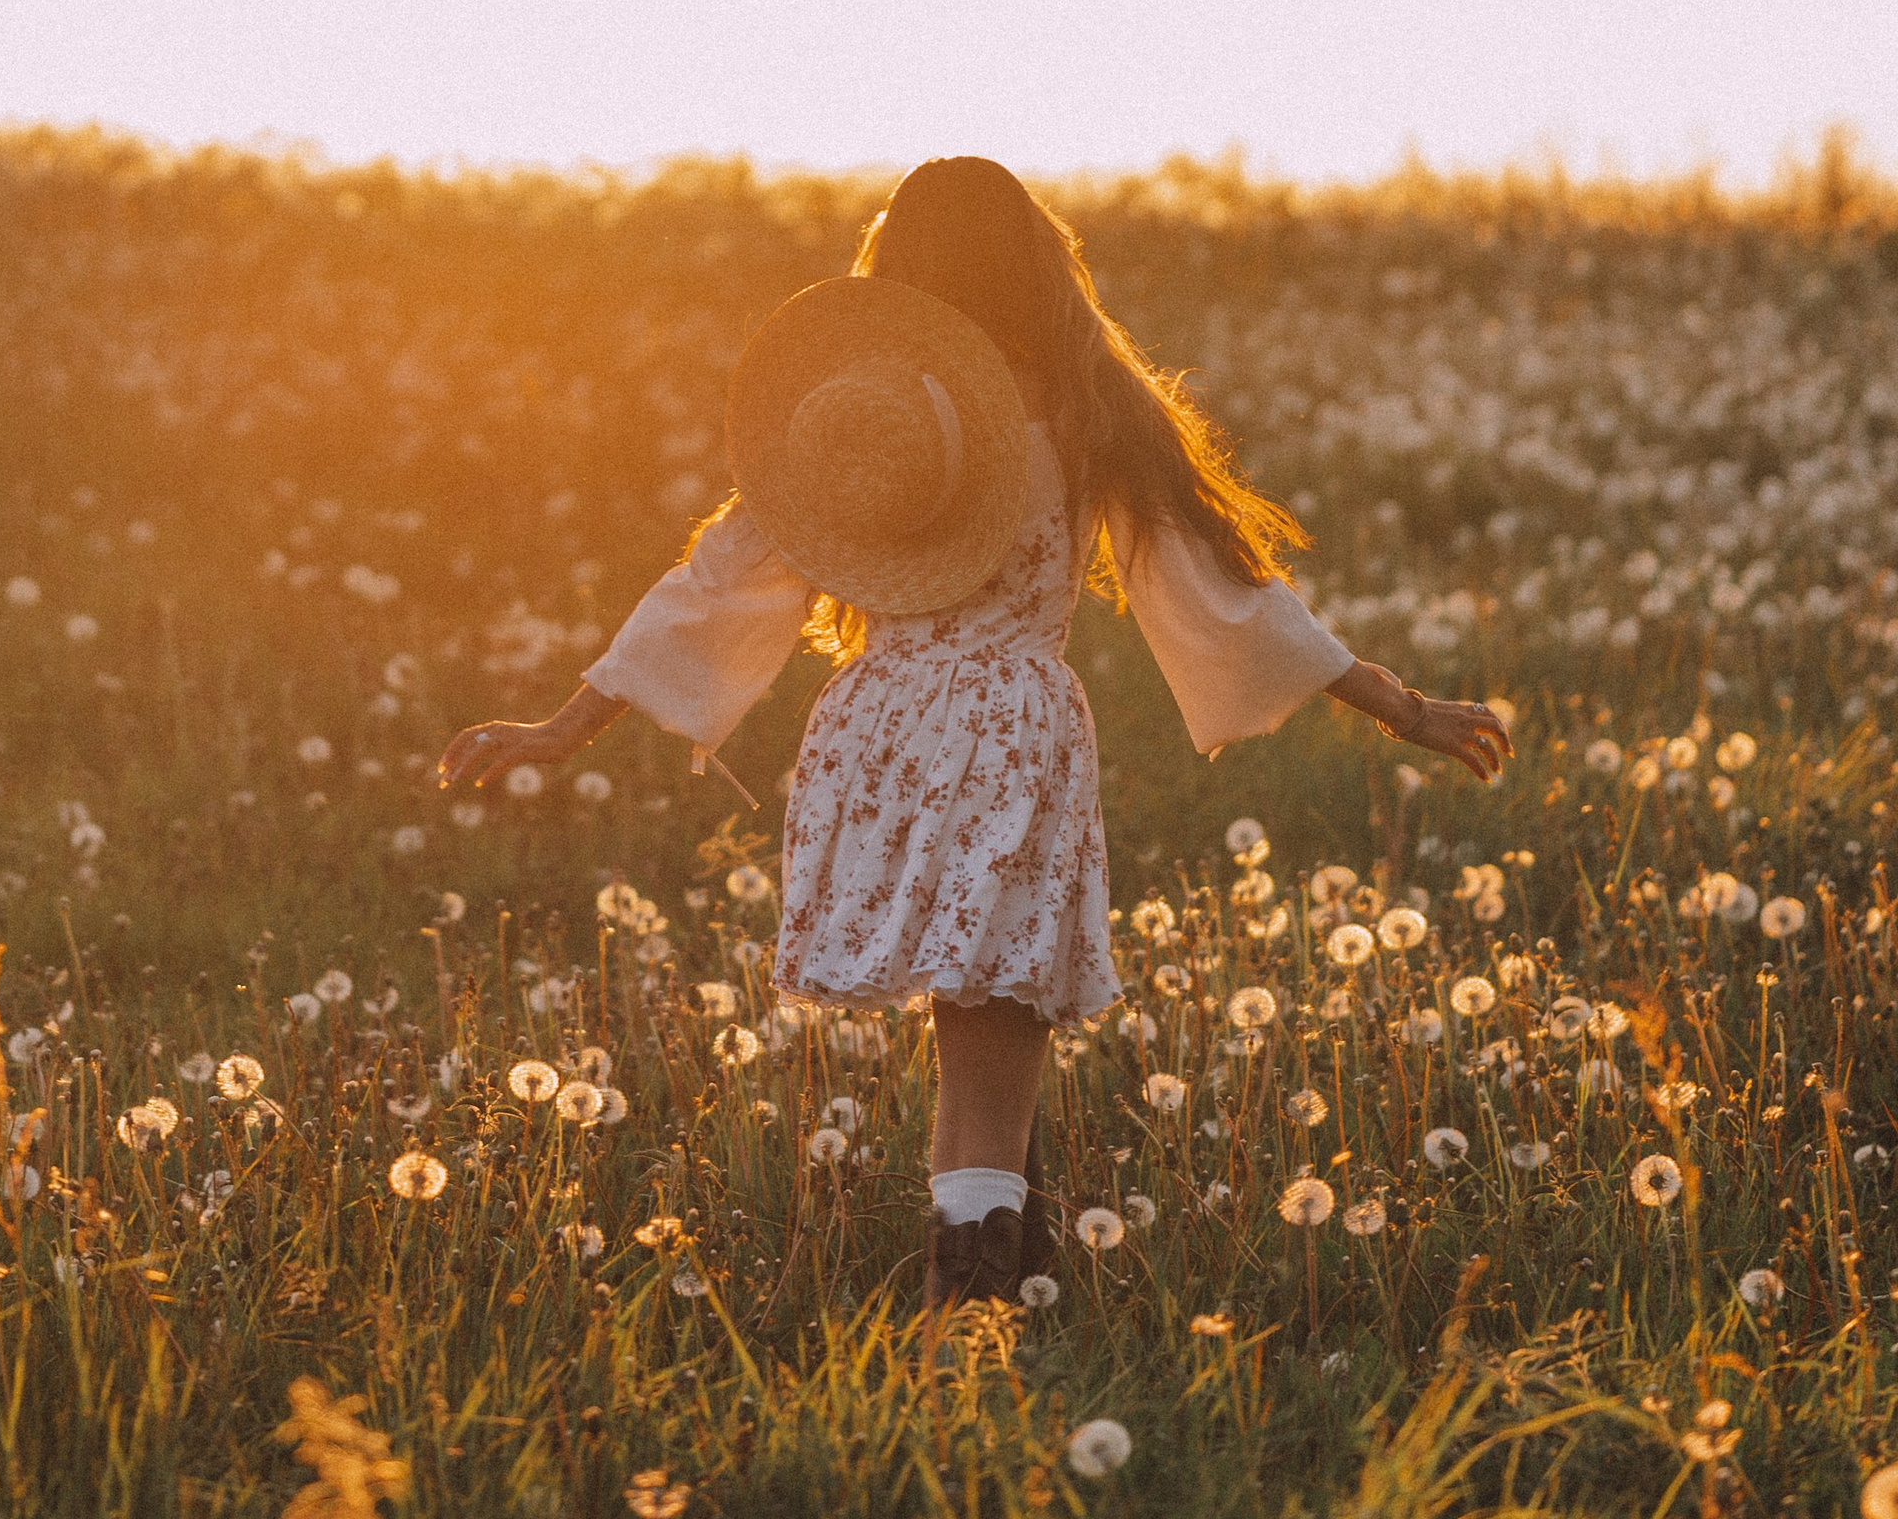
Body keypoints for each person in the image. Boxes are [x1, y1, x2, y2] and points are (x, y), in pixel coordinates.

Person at [437, 155, 1510, 1315]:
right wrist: (1397, 704)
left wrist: (565, 724)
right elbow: (1225, 593)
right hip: (1006, 722)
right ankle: (974, 1324)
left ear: (895, 270)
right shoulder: (1089, 406)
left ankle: (1014, 1276)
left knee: (973, 1021)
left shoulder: (869, 409)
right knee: (989, 1042)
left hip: (877, 723)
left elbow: (718, 579)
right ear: (1039, 258)